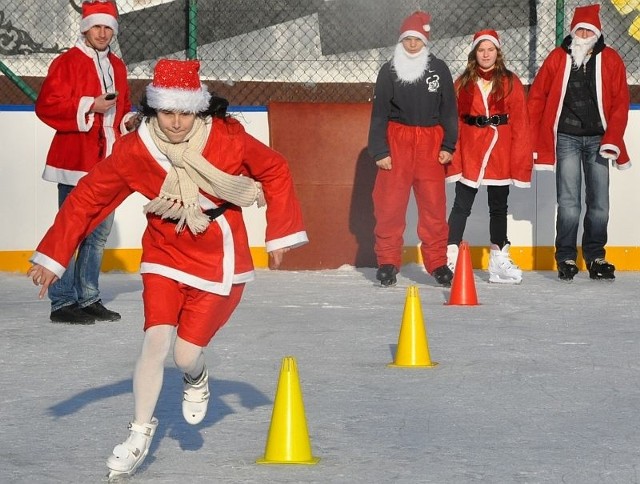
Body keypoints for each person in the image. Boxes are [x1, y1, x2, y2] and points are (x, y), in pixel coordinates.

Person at [27, 58, 308, 478]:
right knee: (154, 343)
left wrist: (280, 232)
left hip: (218, 252)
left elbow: (275, 169)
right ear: (154, 109)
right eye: (167, 112)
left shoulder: (228, 139)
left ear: (198, 109)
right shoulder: (135, 149)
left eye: (184, 112)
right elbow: (88, 197)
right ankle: (138, 434)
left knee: (185, 354)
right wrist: (53, 256)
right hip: (164, 249)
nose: (176, 122)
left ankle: (196, 377)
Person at [35, 0, 136, 324]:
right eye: (97, 27)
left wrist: (129, 121)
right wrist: (88, 105)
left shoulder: (118, 66)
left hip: (109, 161)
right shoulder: (67, 62)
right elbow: (47, 105)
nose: (103, 33)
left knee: (98, 234)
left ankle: (88, 296)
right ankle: (62, 301)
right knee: (72, 229)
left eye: (108, 27)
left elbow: (124, 108)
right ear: (85, 28)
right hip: (76, 158)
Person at [528, 4, 631, 281]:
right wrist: (531, 135)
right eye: (580, 29)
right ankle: (566, 258)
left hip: (599, 139)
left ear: (597, 34)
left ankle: (596, 256)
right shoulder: (557, 58)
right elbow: (537, 96)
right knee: (569, 201)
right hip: (567, 138)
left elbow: (621, 103)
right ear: (573, 33)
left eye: (589, 30)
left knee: (599, 203)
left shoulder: (611, 59)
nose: (584, 34)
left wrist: (613, 138)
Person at [368, 10, 458, 287]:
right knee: (389, 206)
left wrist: (448, 144)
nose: (412, 44)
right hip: (397, 141)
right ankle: (387, 262)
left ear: (425, 41)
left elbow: (449, 110)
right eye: (407, 39)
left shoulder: (439, 69)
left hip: (431, 144)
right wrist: (380, 150)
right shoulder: (389, 70)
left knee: (433, 207)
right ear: (401, 41)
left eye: (417, 39)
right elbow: (379, 113)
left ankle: (438, 263)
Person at [445, 30, 532, 284]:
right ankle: (449, 255)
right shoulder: (462, 83)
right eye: (481, 50)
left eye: (490, 49)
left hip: (499, 149)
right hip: (471, 148)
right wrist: (454, 153)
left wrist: (519, 159)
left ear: (498, 52)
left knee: (498, 206)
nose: (486, 54)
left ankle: (498, 259)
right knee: (462, 204)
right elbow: (454, 121)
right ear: (475, 53)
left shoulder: (510, 81)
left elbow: (521, 123)